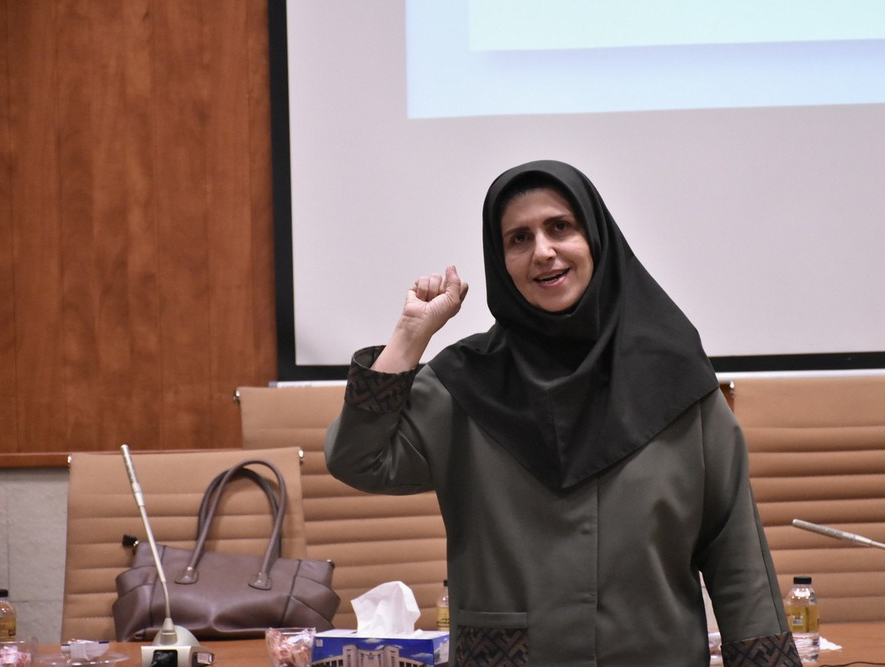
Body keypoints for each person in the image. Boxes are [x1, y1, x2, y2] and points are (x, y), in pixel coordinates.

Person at [325, 160, 801, 666]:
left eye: (560, 227)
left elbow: (736, 553)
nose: (543, 251)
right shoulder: (463, 384)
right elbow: (358, 458)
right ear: (501, 261)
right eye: (519, 239)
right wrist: (409, 335)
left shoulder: (677, 379)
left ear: (595, 238)